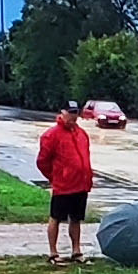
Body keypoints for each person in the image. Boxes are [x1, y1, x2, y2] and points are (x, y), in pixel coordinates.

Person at [36, 100, 95, 263]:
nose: (73, 116)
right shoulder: (51, 135)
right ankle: (53, 253)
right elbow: (42, 161)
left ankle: (76, 251)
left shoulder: (82, 134)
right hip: (63, 185)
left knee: (76, 218)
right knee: (56, 217)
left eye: (76, 112)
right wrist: (55, 177)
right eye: (70, 112)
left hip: (81, 183)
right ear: (62, 113)